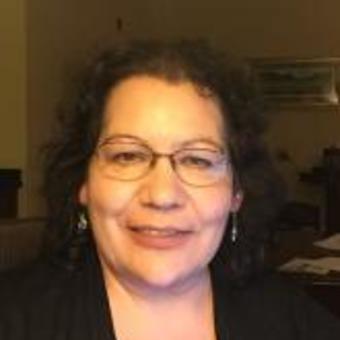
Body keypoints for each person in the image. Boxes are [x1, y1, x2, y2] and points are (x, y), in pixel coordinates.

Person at [0, 40, 339, 340]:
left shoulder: (295, 323)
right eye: (127, 156)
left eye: (197, 160)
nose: (162, 195)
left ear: (237, 192)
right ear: (83, 183)